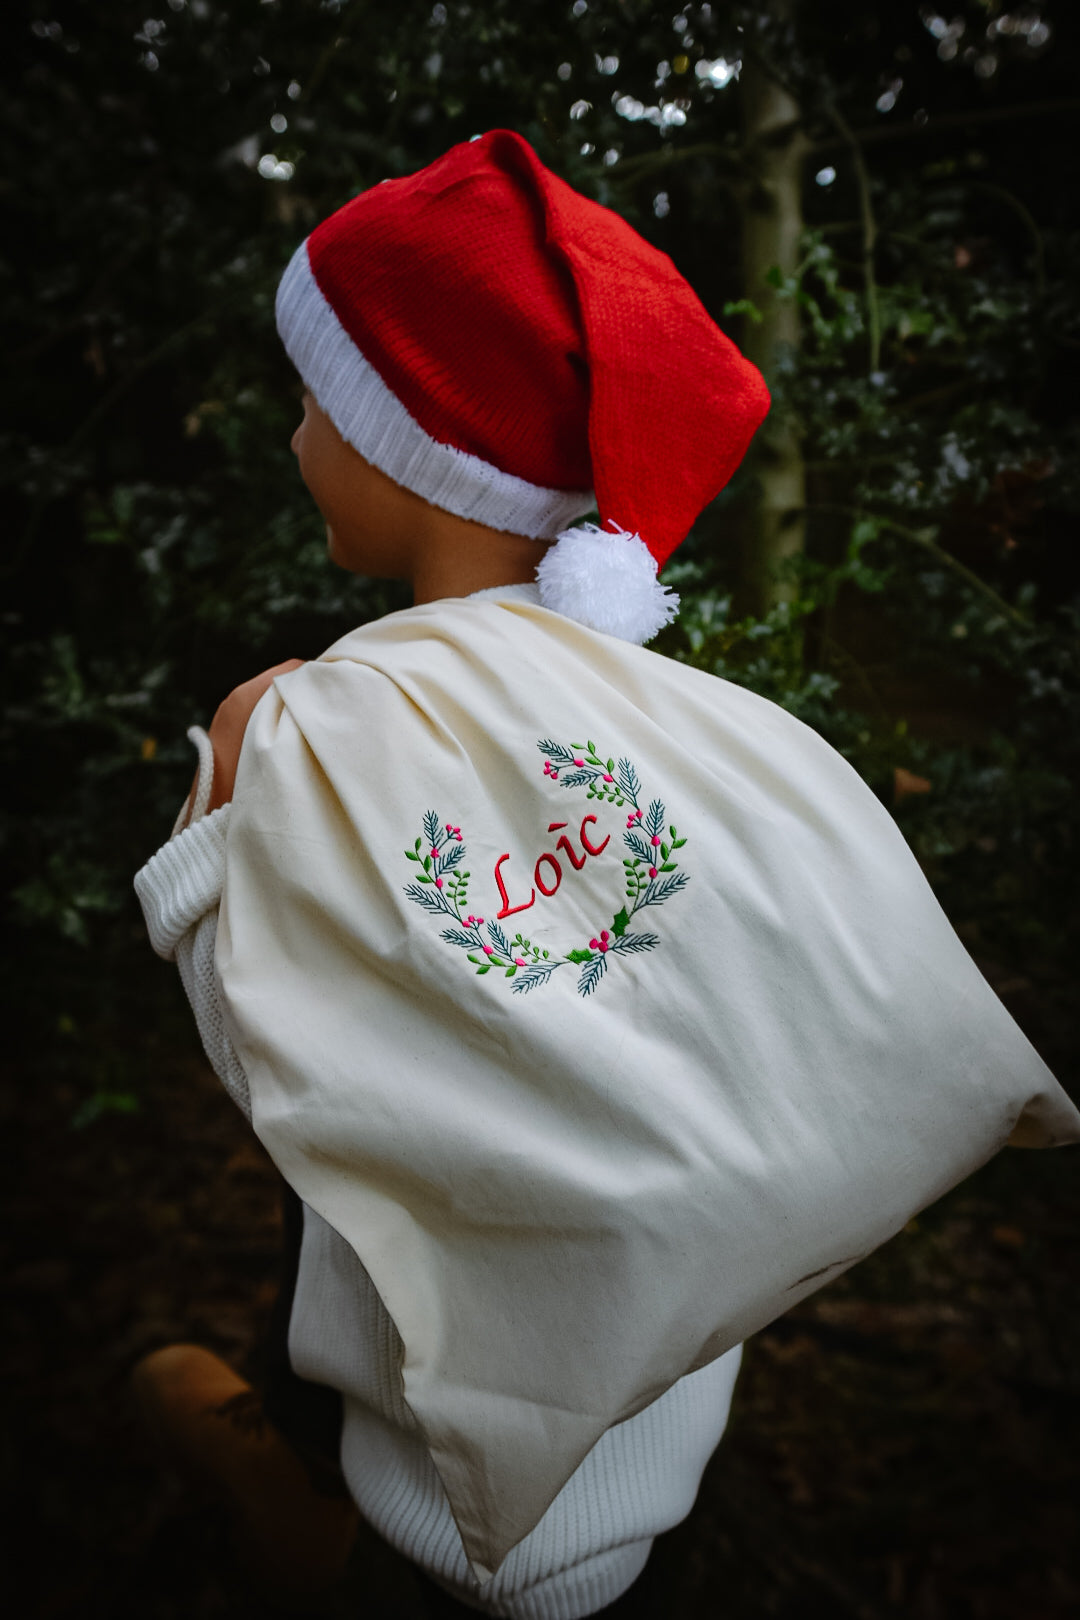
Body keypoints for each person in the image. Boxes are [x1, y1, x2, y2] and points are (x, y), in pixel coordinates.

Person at [132, 130, 1079, 1619]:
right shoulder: (686, 723)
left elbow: (283, 1068)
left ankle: (300, 1489)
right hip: (665, 1417)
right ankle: (289, 1449)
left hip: (444, 1498)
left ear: (401, 440)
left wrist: (211, 840)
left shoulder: (317, 721)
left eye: (311, 396)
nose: (291, 434)